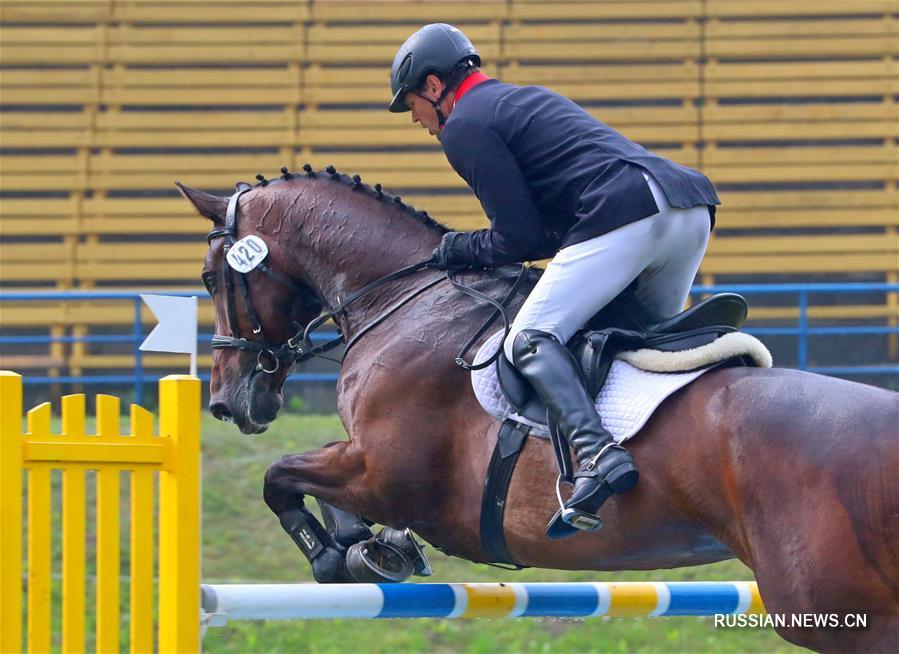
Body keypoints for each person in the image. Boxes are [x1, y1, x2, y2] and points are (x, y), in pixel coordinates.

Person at [389, 24, 719, 535]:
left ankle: (597, 456)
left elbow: (514, 239)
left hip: (627, 213)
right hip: (687, 208)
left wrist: (457, 248)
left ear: (434, 87)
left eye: (412, 103)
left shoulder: (465, 125)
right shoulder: (519, 100)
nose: (417, 120)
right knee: (632, 343)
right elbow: (542, 235)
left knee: (529, 338)